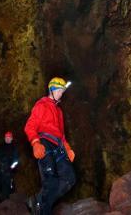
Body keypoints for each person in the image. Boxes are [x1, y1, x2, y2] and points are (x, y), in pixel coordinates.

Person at [24, 77, 76, 215]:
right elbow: (30, 126)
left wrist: (67, 148)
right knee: (50, 180)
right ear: (51, 90)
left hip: (58, 146)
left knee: (69, 178)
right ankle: (42, 210)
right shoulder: (41, 105)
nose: (61, 94)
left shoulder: (59, 112)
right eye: (59, 91)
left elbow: (62, 134)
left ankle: (38, 200)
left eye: (62, 92)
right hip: (45, 143)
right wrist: (35, 143)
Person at [0, 131, 19, 203]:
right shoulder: (0, 146)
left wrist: (10, 168)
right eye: (6, 137)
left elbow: (16, 161)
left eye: (9, 137)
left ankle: (5, 203)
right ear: (4, 138)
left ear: (11, 138)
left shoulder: (14, 148)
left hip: (7, 171)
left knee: (6, 187)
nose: (7, 139)